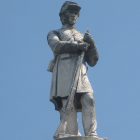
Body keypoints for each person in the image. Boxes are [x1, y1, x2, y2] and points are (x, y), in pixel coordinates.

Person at [47, 1, 99, 139]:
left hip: (81, 71)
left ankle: (92, 134)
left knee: (89, 98)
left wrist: (91, 44)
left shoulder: (82, 36)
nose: (74, 15)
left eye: (76, 12)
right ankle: (71, 134)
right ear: (63, 15)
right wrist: (77, 46)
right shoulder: (55, 32)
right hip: (64, 70)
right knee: (67, 103)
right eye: (71, 12)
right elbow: (56, 46)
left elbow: (93, 61)